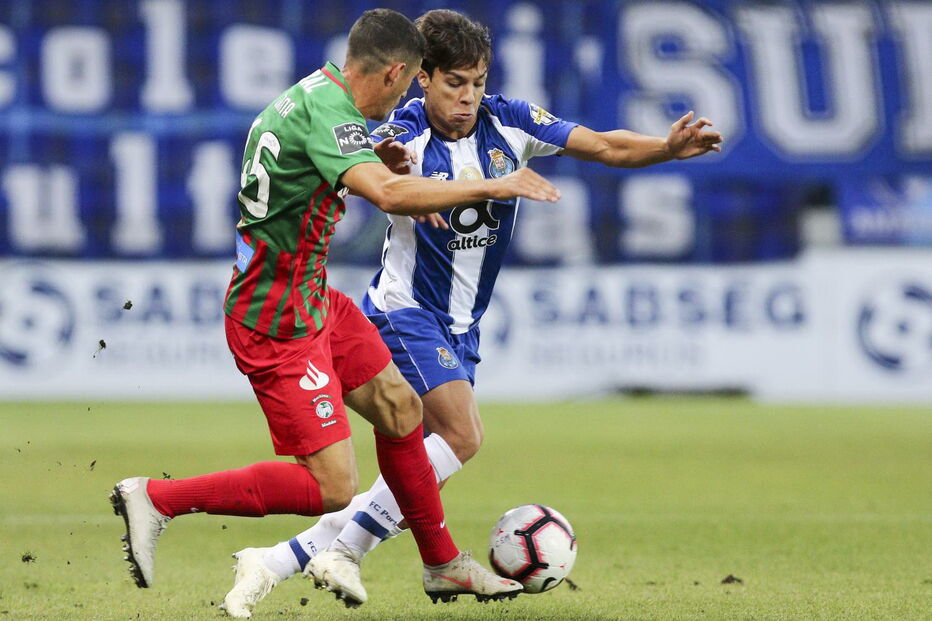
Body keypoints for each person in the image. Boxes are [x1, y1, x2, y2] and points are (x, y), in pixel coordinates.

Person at [220, 8, 723, 618]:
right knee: (460, 434)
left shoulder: (509, 122)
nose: (468, 97)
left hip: (461, 324)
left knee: (435, 456)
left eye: (478, 82)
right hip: (403, 311)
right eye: (455, 82)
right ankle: (353, 553)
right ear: (421, 78)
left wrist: (666, 149)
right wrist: (422, 180)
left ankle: (286, 558)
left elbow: (606, 145)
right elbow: (378, 176)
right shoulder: (399, 128)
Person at [109, 7, 563, 614]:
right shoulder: (333, 113)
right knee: (331, 487)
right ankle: (159, 498)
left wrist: (390, 170)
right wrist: (491, 184)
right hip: (277, 321)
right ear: (397, 72)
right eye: (402, 92)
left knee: (401, 407)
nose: (398, 109)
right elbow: (387, 192)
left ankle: (442, 564)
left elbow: (353, 173)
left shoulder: (311, 96)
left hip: (314, 297)